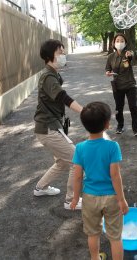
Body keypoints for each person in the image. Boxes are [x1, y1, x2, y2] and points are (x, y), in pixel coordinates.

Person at [70, 101, 129, 260]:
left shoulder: (80, 148)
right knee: (115, 237)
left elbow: (77, 177)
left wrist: (76, 198)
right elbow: (115, 176)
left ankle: (95, 258)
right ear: (107, 124)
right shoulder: (112, 147)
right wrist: (122, 200)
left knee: (93, 233)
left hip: (89, 197)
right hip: (111, 198)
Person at [34, 39, 83, 210]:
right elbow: (64, 98)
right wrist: (84, 111)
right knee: (77, 160)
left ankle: (40, 187)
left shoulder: (53, 74)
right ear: (50, 55)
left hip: (49, 126)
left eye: (63, 51)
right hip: (48, 128)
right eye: (60, 52)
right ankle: (71, 200)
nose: (63, 55)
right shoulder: (48, 77)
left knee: (62, 161)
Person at [105, 33, 137, 137]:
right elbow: (107, 69)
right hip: (118, 86)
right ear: (114, 43)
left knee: (133, 107)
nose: (119, 43)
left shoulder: (128, 53)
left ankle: (135, 129)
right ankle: (120, 126)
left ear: (125, 43)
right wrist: (108, 73)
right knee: (118, 108)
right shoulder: (111, 56)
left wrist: (130, 56)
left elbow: (131, 59)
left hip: (130, 85)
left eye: (122, 41)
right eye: (117, 41)